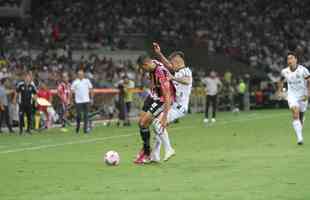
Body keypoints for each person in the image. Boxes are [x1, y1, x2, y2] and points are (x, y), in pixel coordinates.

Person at [151, 42, 192, 162]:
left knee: (157, 124)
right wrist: (159, 53)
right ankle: (155, 155)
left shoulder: (186, 71)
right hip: (174, 106)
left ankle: (169, 149)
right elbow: (169, 66)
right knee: (158, 127)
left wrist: (173, 78)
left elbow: (187, 81)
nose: (171, 63)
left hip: (179, 107)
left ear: (178, 60)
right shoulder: (178, 71)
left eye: (173, 61)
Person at [134, 54, 176, 164]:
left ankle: (147, 152)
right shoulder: (152, 63)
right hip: (153, 96)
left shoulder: (160, 73)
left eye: (143, 68)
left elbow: (167, 96)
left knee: (144, 123)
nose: (143, 71)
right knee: (141, 123)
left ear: (146, 64)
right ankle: (147, 150)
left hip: (161, 100)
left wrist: (165, 117)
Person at [278, 52, 310, 145]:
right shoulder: (285, 71)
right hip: (292, 95)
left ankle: (301, 120)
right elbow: (280, 81)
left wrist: (308, 94)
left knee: (301, 115)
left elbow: (309, 81)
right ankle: (300, 138)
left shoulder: (303, 70)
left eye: (291, 58)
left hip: (303, 95)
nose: (289, 60)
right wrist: (280, 91)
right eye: (288, 59)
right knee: (295, 113)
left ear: (296, 59)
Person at [71, 69, 94, 134]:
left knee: (86, 115)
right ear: (77, 75)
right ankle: (77, 127)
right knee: (79, 116)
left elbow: (91, 89)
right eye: (79, 74)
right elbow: (72, 91)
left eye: (81, 74)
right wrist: (71, 100)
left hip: (86, 101)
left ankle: (85, 129)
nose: (80, 75)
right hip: (78, 102)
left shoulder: (87, 81)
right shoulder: (75, 82)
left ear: (83, 75)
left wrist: (92, 98)